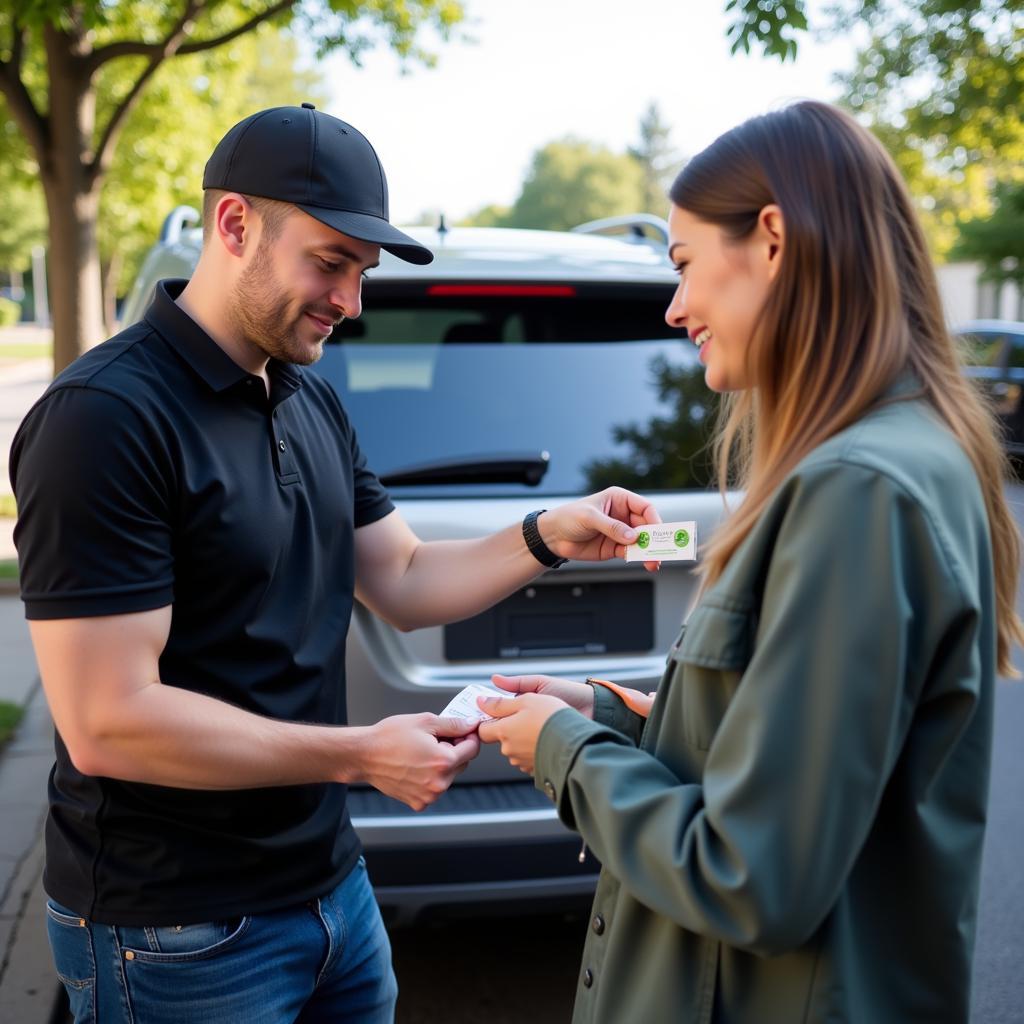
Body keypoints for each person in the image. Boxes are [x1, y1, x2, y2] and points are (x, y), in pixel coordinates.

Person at [9, 103, 659, 1024]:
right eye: (331, 262)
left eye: (361, 272)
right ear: (234, 224)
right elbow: (109, 721)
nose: (351, 301)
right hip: (175, 930)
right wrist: (359, 757)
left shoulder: (309, 402)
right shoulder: (103, 420)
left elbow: (402, 581)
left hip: (332, 891)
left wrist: (548, 533)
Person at [476, 99, 1023, 1023]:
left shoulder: (859, 489)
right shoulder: (884, 459)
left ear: (773, 240)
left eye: (686, 265)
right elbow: (793, 752)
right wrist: (609, 714)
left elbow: (753, 876)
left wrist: (563, 752)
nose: (675, 304)